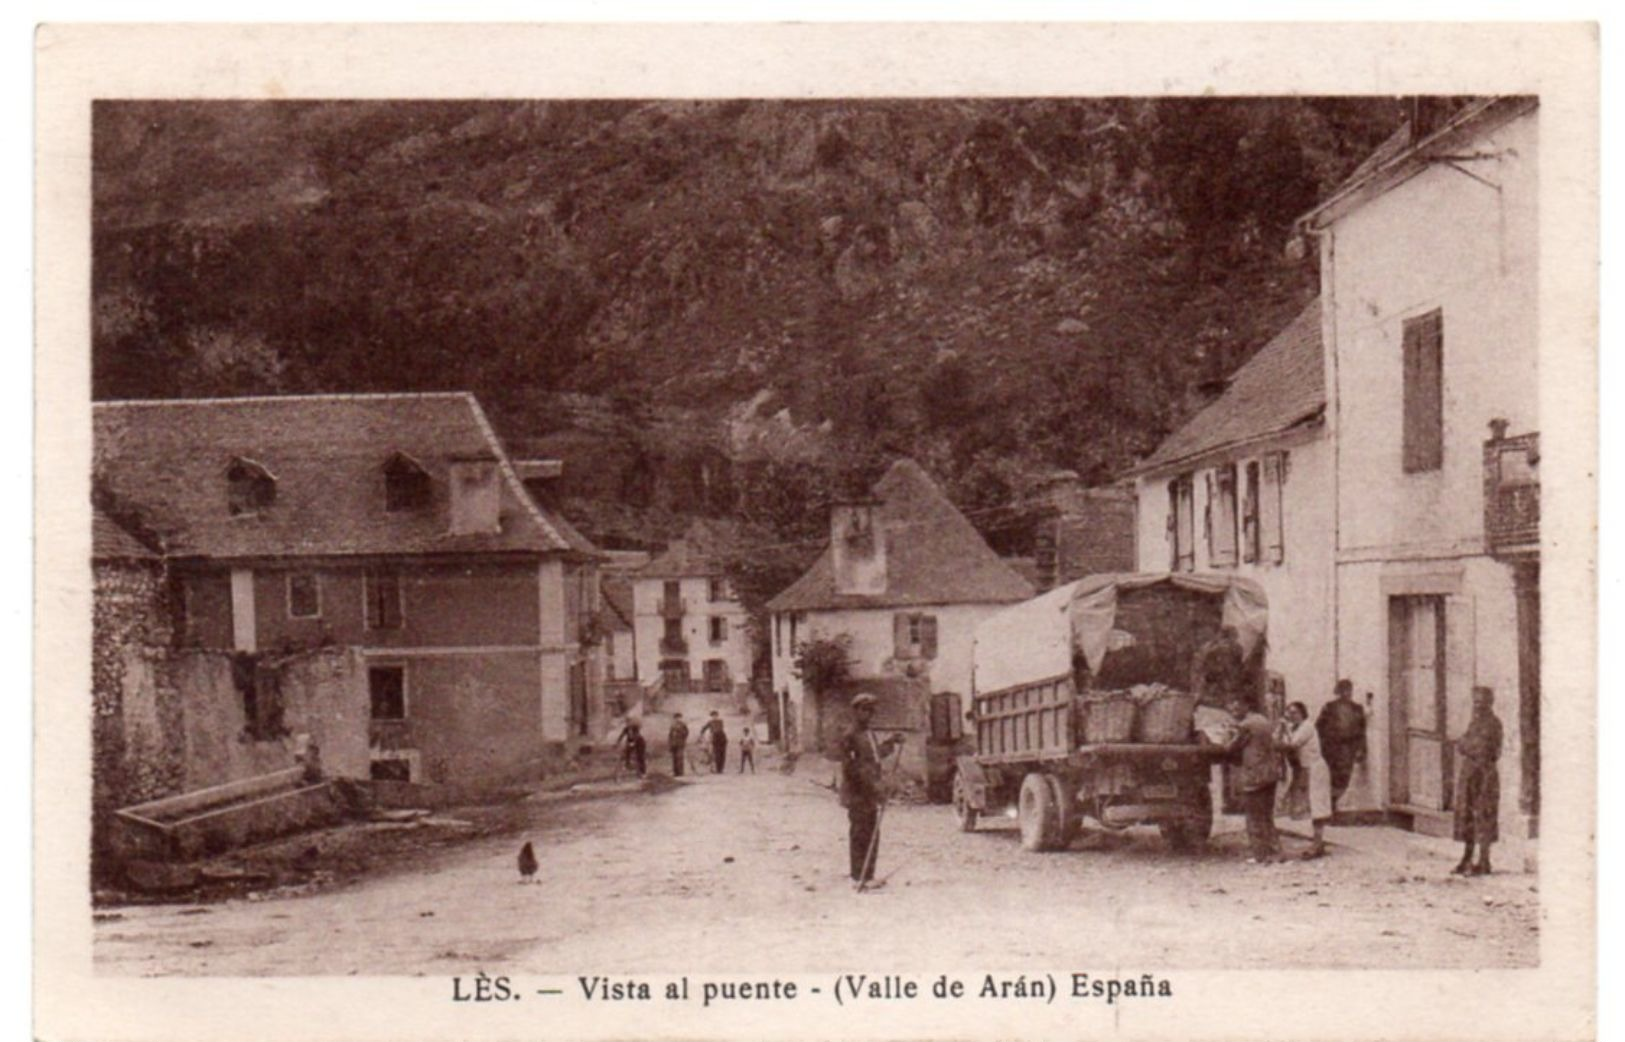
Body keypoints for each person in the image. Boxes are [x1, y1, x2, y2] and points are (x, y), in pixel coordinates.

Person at [839, 693, 903, 888]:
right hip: (858, 793)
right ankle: (858, 876)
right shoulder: (850, 735)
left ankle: (869, 875)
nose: (869, 714)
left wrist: (891, 742)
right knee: (859, 833)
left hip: (870, 793)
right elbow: (853, 768)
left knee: (873, 831)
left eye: (871, 711)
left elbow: (876, 756)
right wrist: (875, 788)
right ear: (856, 711)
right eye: (865, 710)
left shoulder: (869, 734)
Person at [1452, 686, 1504, 876]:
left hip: (1484, 776)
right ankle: (1467, 858)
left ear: (1489, 703)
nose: (1478, 706)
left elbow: (1480, 749)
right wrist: (1466, 745)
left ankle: (1484, 861)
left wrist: (1467, 746)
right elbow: (1463, 743)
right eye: (1475, 702)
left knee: (1483, 815)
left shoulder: (1493, 724)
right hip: (1470, 774)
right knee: (1466, 815)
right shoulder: (1475, 723)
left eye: (1481, 702)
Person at [1225, 696, 1281, 863]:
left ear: (1245, 705)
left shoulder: (1245, 725)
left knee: (1253, 816)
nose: (1234, 712)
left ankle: (1260, 855)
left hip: (1254, 774)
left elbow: (1231, 747)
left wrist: (1228, 736)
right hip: (1270, 773)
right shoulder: (1264, 721)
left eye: (1236, 708)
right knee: (1267, 815)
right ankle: (1275, 852)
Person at [1277, 701, 1333, 858]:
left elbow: (1292, 744)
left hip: (1315, 769)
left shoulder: (1307, 726)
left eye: (1295, 712)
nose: (1291, 716)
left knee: (1317, 806)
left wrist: (1283, 734)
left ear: (1302, 713)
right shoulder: (1295, 728)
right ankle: (1317, 842)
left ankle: (1317, 843)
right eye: (1289, 713)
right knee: (1310, 806)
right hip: (1304, 770)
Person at [1315, 679, 1368, 810]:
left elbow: (1362, 731)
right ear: (1338, 692)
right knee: (1332, 776)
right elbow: (1319, 727)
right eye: (1343, 690)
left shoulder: (1357, 708)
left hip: (1348, 748)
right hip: (1332, 748)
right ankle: (1331, 805)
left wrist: (1362, 749)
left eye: (1349, 690)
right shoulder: (1329, 707)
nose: (1346, 693)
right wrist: (1323, 744)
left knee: (1344, 776)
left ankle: (1335, 801)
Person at [1193, 625, 1247, 706]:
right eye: (1234, 636)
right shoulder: (1230, 647)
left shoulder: (1211, 645)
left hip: (1216, 676)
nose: (1236, 639)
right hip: (1214, 676)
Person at [699, 710, 728, 774]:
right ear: (711, 716)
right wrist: (701, 733)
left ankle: (721, 769)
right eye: (713, 716)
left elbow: (719, 729)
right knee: (717, 754)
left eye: (716, 715)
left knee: (722, 754)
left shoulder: (720, 721)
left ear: (717, 716)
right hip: (715, 739)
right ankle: (718, 769)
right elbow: (704, 728)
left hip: (722, 739)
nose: (714, 717)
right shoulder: (710, 722)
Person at [667, 713, 689, 777]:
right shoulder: (672, 725)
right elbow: (670, 735)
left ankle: (680, 772)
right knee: (674, 758)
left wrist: (680, 732)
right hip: (674, 744)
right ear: (674, 718)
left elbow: (686, 733)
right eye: (676, 718)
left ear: (681, 718)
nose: (677, 719)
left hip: (680, 743)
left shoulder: (683, 725)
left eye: (679, 717)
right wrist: (670, 744)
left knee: (680, 757)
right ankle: (675, 772)